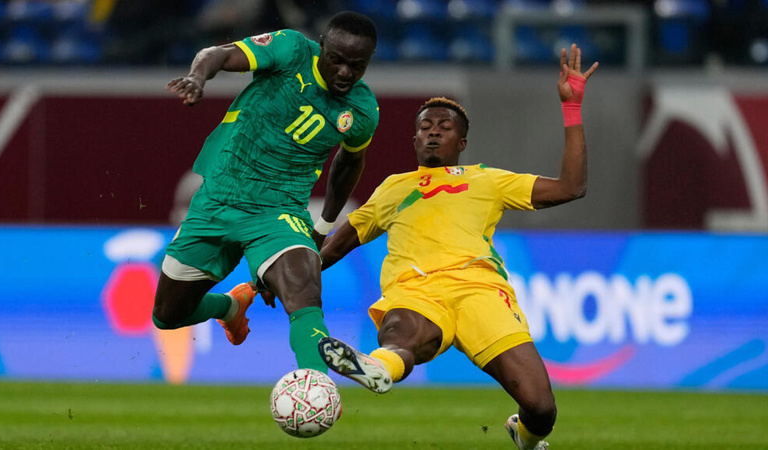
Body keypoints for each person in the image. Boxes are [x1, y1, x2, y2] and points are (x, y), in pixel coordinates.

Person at [316, 45, 598, 450]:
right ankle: (376, 367)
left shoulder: (487, 180)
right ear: (413, 138)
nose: (433, 130)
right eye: (425, 126)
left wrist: (572, 109)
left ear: (462, 142)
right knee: (404, 337)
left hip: (480, 292)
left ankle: (525, 435)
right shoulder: (394, 188)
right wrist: (281, 280)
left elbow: (572, 187)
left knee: (541, 408)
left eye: (444, 127)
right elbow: (338, 244)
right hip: (416, 290)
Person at [151, 11, 380, 376]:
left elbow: (349, 165)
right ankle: (229, 307)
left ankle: (315, 386)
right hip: (219, 196)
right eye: (337, 60)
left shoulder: (362, 110)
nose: (345, 73)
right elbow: (219, 54)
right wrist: (197, 77)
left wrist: (321, 227)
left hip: (278, 210)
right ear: (320, 48)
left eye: (357, 65)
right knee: (167, 314)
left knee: (303, 290)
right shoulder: (290, 50)